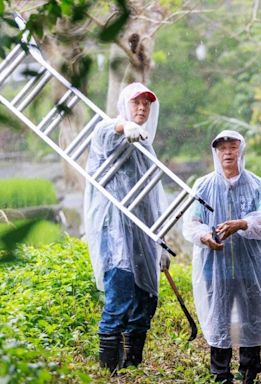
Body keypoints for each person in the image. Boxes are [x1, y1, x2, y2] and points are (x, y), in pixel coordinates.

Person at [182, 130, 261, 384]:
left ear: (242, 150)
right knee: (219, 318)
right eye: (222, 148)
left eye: (233, 146)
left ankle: (249, 371)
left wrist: (242, 223)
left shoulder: (256, 184)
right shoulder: (203, 186)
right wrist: (205, 236)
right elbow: (191, 222)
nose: (227, 152)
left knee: (252, 318)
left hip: (251, 269)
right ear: (215, 153)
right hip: (215, 268)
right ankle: (221, 373)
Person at [84, 82, 170, 373]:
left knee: (146, 300)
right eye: (136, 103)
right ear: (124, 105)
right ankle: (110, 370)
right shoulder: (107, 132)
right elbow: (105, 133)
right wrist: (123, 126)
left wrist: (161, 241)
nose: (142, 108)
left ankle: (132, 366)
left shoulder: (147, 146)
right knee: (120, 296)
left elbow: (154, 197)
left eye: (146, 104)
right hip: (114, 232)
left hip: (143, 235)